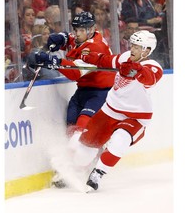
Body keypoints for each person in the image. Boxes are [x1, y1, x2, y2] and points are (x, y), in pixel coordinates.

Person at [67, 30, 163, 192]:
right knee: (84, 152)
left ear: (147, 51)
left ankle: (98, 173)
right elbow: (106, 60)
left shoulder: (153, 67)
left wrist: (135, 70)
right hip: (109, 111)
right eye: (132, 45)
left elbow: (149, 78)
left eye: (137, 47)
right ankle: (73, 169)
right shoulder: (126, 57)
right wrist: (86, 57)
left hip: (135, 117)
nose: (132, 49)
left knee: (121, 138)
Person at [33, 11, 115, 136]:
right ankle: (76, 151)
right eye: (76, 29)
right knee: (71, 123)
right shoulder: (85, 37)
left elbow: (75, 72)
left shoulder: (96, 47)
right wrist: (61, 37)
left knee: (82, 124)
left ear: (91, 29)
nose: (77, 34)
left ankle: (81, 152)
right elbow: (70, 39)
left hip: (100, 93)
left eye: (81, 30)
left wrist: (54, 61)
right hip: (82, 91)